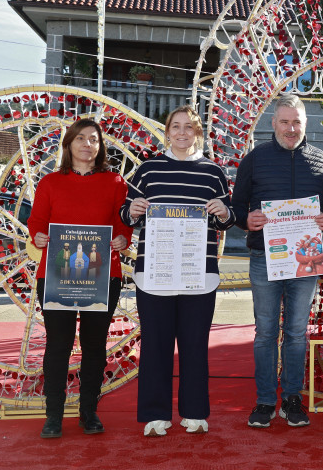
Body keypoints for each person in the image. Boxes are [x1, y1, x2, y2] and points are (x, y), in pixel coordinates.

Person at [121, 106, 236, 437]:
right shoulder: (148, 170)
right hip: (153, 274)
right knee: (156, 345)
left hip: (199, 275)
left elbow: (227, 219)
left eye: (189, 127)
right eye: (176, 126)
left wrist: (223, 211)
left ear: (197, 133)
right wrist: (133, 209)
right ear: (167, 131)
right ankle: (156, 415)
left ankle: (195, 413)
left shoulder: (213, 172)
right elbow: (126, 215)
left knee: (195, 345)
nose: (182, 132)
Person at [230, 94, 323, 429]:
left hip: (304, 260)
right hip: (265, 257)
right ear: (273, 123)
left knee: (295, 332)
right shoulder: (255, 158)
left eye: (297, 122)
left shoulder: (322, 161)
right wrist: (247, 220)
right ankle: (264, 401)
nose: (291, 129)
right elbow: (236, 207)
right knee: (264, 332)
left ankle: (293, 398)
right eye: (285, 122)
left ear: (305, 124)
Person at [27, 118, 133, 439]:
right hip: (57, 275)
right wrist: (39, 236)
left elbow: (123, 224)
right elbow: (36, 222)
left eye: (94, 139)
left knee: (94, 346)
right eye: (81, 138)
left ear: (100, 147)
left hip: (102, 276)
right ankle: (54, 415)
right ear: (69, 144)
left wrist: (122, 239)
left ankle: (89, 412)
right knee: (58, 345)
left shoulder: (115, 183)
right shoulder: (50, 183)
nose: (88, 144)